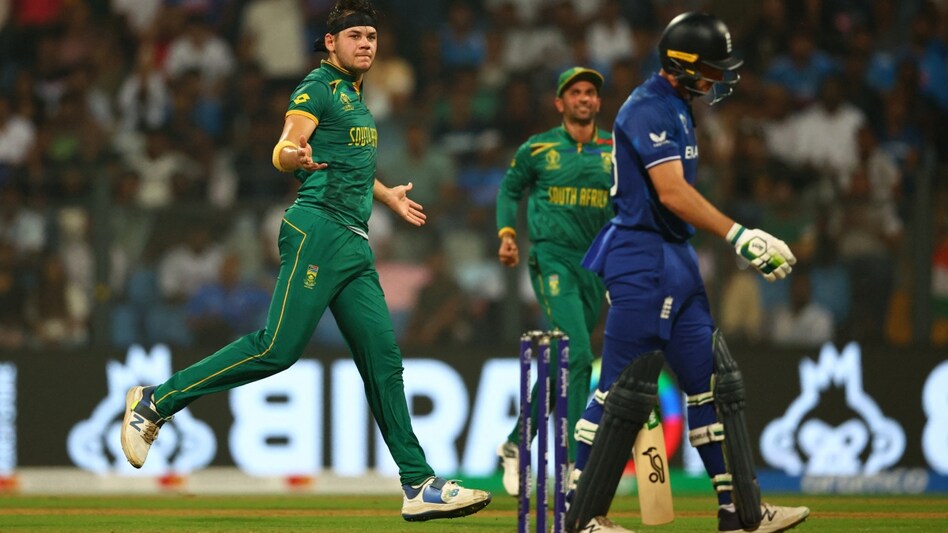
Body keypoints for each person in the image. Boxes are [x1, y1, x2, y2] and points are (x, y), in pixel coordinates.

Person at [120, 0, 492, 522]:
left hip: (353, 241)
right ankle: (156, 401)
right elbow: (290, 138)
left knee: (384, 362)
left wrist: (384, 196)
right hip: (317, 229)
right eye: (355, 36)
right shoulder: (317, 86)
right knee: (276, 348)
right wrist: (289, 152)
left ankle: (418, 483)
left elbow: (349, 158)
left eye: (371, 36)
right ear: (330, 43)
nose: (366, 43)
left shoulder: (357, 97)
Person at [565, 13, 810, 533]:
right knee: (620, 391)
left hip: (672, 257)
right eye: (711, 70)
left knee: (713, 385)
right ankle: (580, 515)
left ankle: (740, 514)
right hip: (641, 257)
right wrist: (741, 235)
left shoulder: (676, 105)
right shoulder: (648, 107)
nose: (719, 79)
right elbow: (672, 192)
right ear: (681, 66)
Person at [495, 66, 614, 496]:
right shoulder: (538, 148)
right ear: (559, 103)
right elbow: (509, 191)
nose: (584, 98)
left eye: (590, 93)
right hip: (552, 260)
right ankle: (570, 470)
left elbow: (627, 209)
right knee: (579, 355)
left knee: (562, 363)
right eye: (575, 92)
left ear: (598, 103)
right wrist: (508, 235)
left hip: (594, 269)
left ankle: (513, 445)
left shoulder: (615, 152)